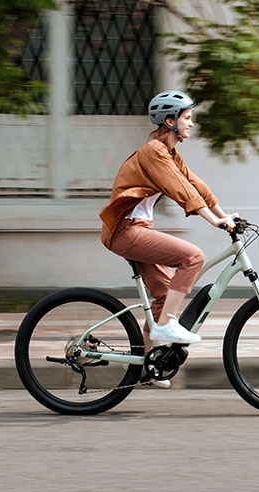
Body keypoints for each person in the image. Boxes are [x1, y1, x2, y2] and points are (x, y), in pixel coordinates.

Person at [99, 90, 238, 356]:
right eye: (187, 117)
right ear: (171, 121)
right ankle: (166, 325)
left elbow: (194, 184)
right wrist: (213, 221)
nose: (192, 123)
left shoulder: (169, 153)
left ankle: (145, 365)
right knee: (193, 257)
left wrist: (223, 214)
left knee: (164, 296)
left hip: (139, 230)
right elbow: (179, 190)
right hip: (125, 231)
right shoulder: (153, 152)